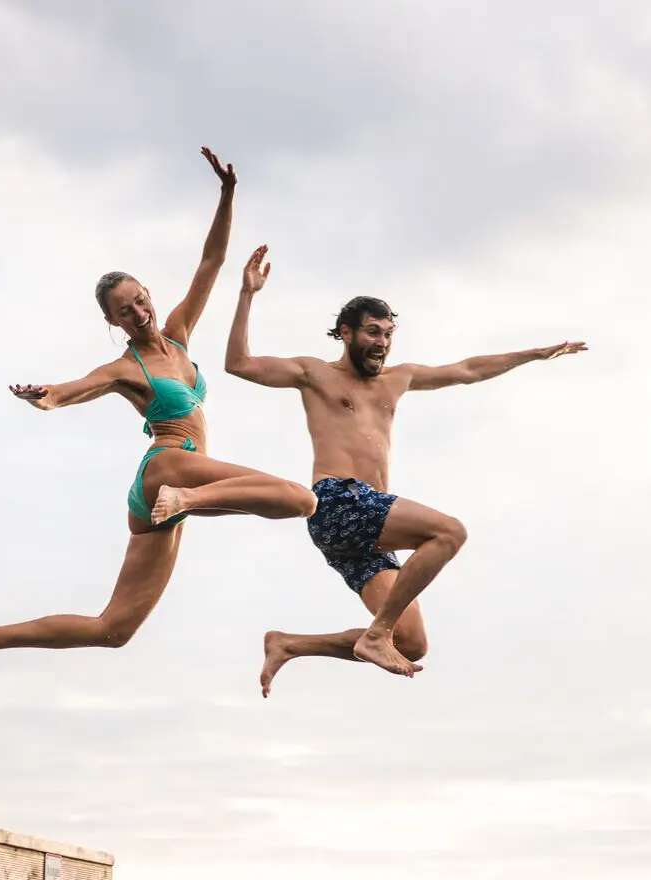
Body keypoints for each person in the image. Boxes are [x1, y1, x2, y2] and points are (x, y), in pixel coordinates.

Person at [0, 152, 317, 672]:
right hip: (170, 467)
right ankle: (188, 498)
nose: (138, 313)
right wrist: (43, 394)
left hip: (160, 492)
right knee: (300, 499)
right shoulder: (124, 367)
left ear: (148, 294)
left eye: (139, 300)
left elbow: (211, 264)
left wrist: (226, 195)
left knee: (113, 629)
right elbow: (71, 390)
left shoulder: (178, 337)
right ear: (111, 320)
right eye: (124, 311)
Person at [224, 245, 586, 695]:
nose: (382, 342)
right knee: (448, 533)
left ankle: (288, 644)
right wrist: (247, 295)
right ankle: (375, 636)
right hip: (338, 501)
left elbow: (469, 370)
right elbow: (237, 364)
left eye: (388, 334)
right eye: (373, 332)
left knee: (411, 643)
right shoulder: (314, 373)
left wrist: (532, 354)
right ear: (345, 333)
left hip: (366, 528)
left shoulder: (400, 378)